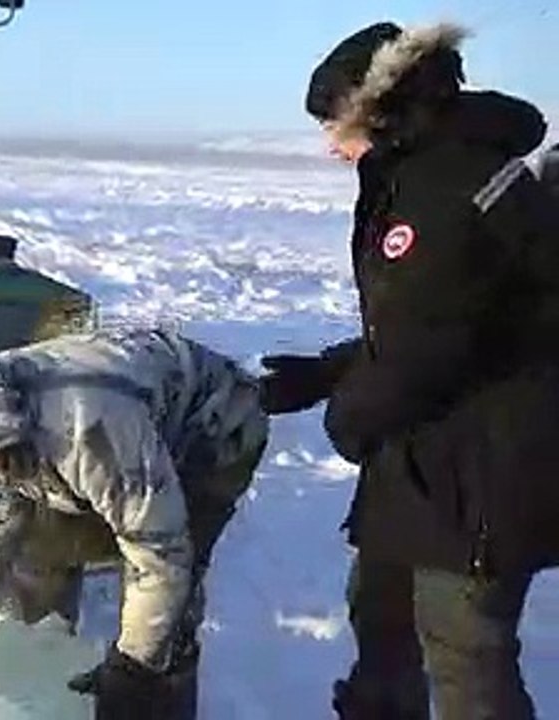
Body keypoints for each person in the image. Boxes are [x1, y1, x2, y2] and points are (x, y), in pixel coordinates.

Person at [260, 20, 559, 719]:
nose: (330, 145)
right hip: (425, 452)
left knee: (463, 651)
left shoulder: (449, 186)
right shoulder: (417, 172)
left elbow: (432, 344)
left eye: (334, 122)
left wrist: (349, 414)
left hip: (483, 465)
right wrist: (329, 371)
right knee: (382, 612)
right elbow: (416, 322)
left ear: (380, 107)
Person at [0, 327, 269, 719]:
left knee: (168, 613)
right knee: (42, 546)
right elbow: (2, 520)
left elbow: (160, 555)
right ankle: (46, 658)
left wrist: (131, 669)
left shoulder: (90, 431)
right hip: (122, 435)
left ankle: (165, 699)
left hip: (213, 432)